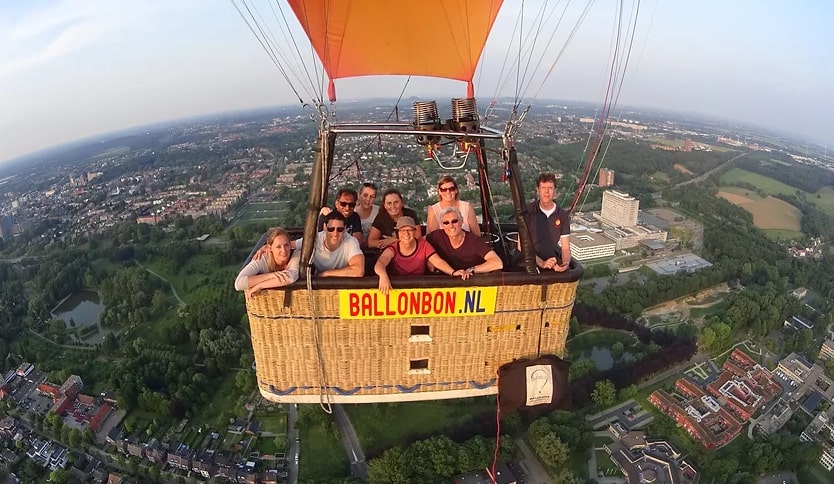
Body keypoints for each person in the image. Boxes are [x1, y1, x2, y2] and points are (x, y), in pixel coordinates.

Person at [374, 216, 469, 294]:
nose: (406, 233)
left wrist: (452, 272)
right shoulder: (393, 248)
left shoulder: (423, 245)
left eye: (410, 230)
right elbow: (380, 263)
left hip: (419, 288)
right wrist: (383, 276)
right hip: (397, 289)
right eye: (403, 230)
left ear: (415, 232)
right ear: (398, 233)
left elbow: (438, 261)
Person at [427, 207, 503, 275]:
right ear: (442, 225)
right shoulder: (436, 236)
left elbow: (497, 263)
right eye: (446, 223)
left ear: (461, 221)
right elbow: (420, 243)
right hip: (448, 281)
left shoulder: (474, 241)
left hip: (471, 282)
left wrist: (472, 269)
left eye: (454, 221)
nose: (451, 226)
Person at [523, 173, 571, 272]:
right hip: (527, 263)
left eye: (550, 188)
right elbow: (521, 246)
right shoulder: (528, 212)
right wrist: (541, 263)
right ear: (538, 190)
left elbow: (565, 248)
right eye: (543, 188)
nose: (546, 192)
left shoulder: (562, 215)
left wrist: (565, 263)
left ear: (555, 191)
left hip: (550, 262)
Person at [235, 227, 300, 296]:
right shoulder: (261, 259)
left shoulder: (296, 255)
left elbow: (292, 277)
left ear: (290, 245)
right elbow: (238, 283)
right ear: (270, 248)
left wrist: (260, 286)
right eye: (278, 247)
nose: (283, 250)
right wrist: (269, 276)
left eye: (286, 245)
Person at [297, 211, 365, 277]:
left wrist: (326, 274)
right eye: (331, 229)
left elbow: (358, 271)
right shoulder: (314, 240)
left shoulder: (351, 242)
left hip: (342, 285)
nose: (335, 233)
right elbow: (291, 246)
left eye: (340, 229)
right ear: (325, 228)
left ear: (344, 229)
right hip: (319, 284)